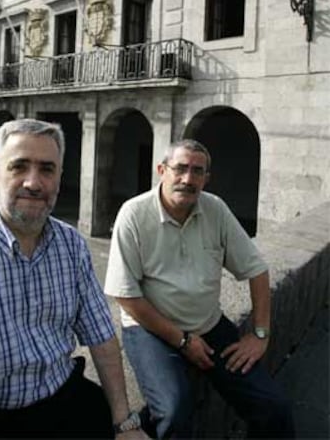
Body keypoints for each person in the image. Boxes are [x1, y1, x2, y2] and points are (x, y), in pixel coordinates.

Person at [0, 118, 148, 440]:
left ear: (59, 178)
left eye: (47, 169)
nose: (33, 182)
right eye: (19, 167)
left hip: (60, 397)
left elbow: (103, 340)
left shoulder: (72, 245)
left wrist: (125, 424)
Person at [105, 139, 295, 439]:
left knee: (274, 406)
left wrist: (260, 334)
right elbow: (125, 295)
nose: (188, 179)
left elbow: (256, 270)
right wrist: (182, 341)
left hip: (209, 326)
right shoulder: (134, 213)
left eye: (197, 171)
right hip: (149, 330)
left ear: (206, 178)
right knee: (174, 410)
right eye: (180, 168)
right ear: (161, 170)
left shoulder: (215, 208)